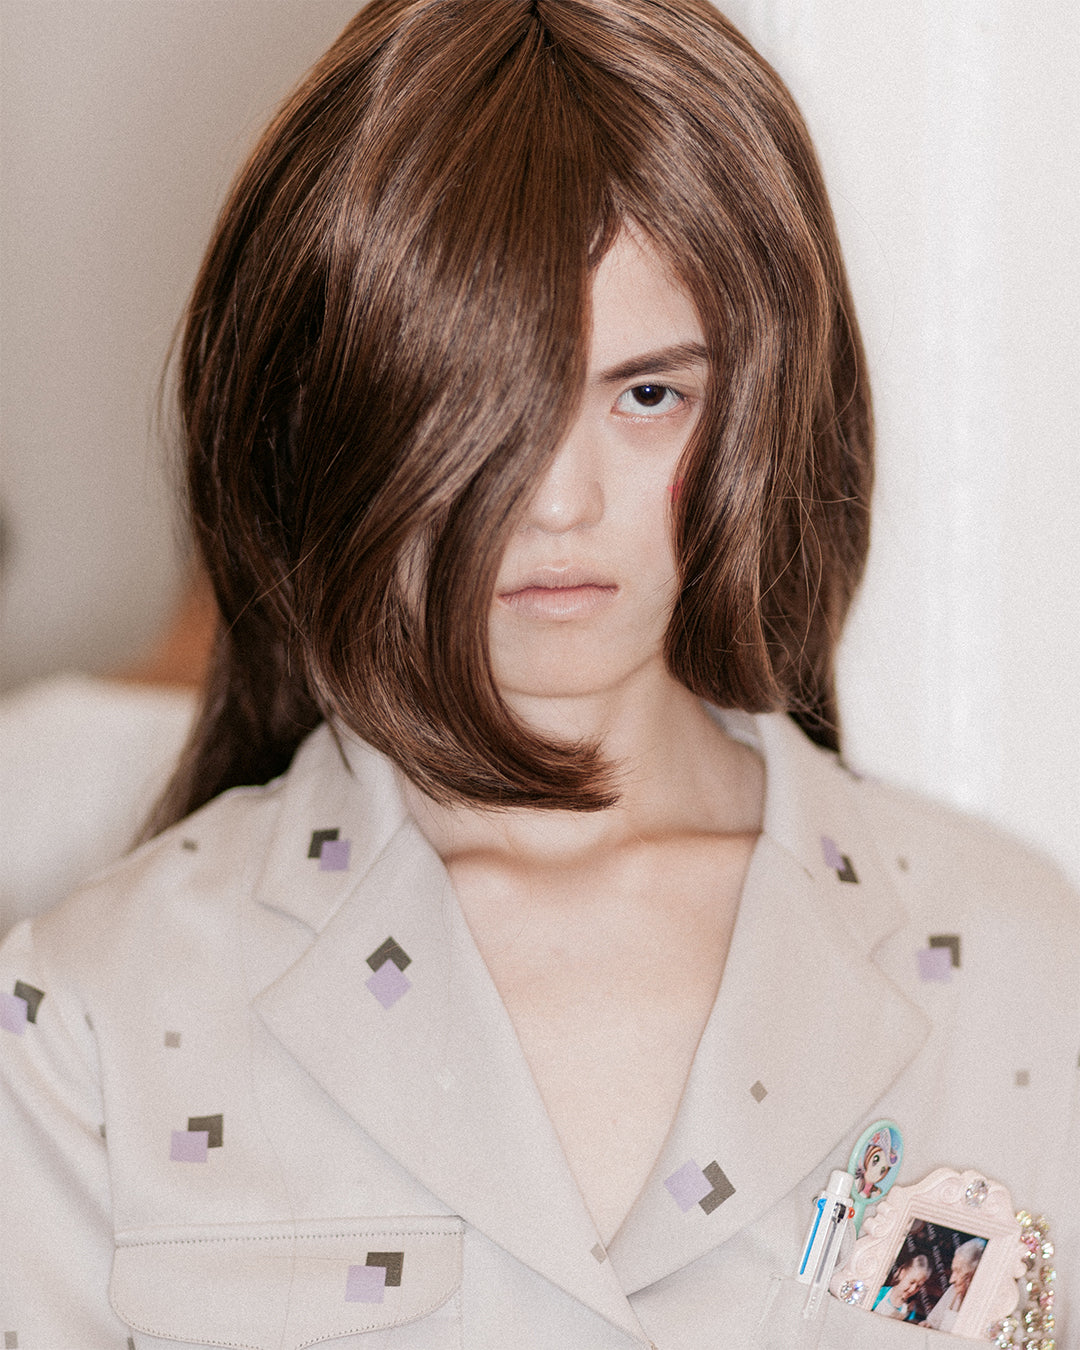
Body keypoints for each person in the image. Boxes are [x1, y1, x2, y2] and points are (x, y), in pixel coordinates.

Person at [0, 2, 1076, 1347]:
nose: (560, 501)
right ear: (327, 411)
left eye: (646, 395)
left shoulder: (1017, 966)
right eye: (477, 401)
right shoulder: (94, 1018)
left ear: (763, 400)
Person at [921, 1239, 987, 1333]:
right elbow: (932, 1322)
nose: (951, 1280)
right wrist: (926, 1326)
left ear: (975, 1275)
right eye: (953, 1271)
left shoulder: (984, 1303)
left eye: (958, 1271)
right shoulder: (953, 1290)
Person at [872, 1254, 930, 1321]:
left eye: (918, 1286)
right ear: (902, 1273)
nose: (913, 1289)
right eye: (911, 1282)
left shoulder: (910, 1308)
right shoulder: (880, 1293)